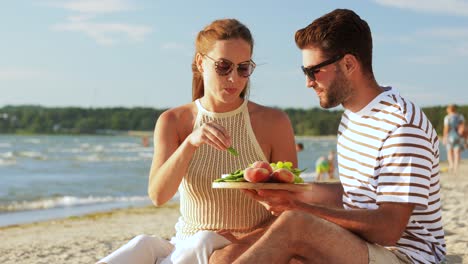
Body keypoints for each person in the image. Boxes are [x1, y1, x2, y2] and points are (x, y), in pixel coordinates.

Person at [210, 9, 445, 264]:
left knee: (295, 224)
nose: (308, 83)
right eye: (305, 71)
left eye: (314, 71)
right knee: (226, 256)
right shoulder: (352, 118)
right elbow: (356, 195)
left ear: (348, 64)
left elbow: (388, 229)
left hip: (405, 257)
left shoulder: (401, 126)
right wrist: (291, 193)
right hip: (359, 245)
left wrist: (299, 208)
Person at [97, 18, 297, 264]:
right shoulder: (174, 121)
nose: (234, 78)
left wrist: (246, 240)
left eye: (243, 68)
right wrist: (190, 143)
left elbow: (291, 208)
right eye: (224, 66)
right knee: (143, 243)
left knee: (204, 241)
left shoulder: (273, 122)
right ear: (201, 63)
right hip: (186, 245)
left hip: (248, 246)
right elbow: (158, 196)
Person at [442, 104, 465, 175]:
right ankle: (456, 167)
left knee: (449, 151)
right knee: (457, 152)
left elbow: (446, 128)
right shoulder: (460, 117)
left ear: (449, 109)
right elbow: (463, 127)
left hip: (450, 136)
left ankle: (451, 165)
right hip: (458, 136)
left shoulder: (447, 117)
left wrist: (444, 137)